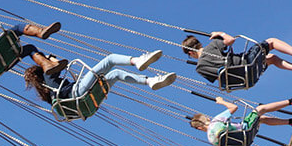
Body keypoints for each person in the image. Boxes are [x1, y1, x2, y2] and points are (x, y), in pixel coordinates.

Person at [24, 50, 177, 105]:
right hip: (77, 92)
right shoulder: (48, 73)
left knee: (115, 74)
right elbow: (61, 63)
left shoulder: (48, 90)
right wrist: (49, 58)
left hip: (80, 100)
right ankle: (137, 60)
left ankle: (150, 81)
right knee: (110, 60)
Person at [181, 31, 292, 82]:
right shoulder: (212, 46)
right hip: (246, 64)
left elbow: (220, 78)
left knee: (271, 58)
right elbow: (231, 40)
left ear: (190, 53)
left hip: (243, 78)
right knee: (271, 42)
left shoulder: (200, 68)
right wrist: (220, 33)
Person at [189, 94, 292, 146]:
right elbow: (234, 107)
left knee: (261, 119)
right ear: (207, 119)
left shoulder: (211, 140)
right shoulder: (216, 121)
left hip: (244, 140)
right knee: (260, 109)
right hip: (245, 129)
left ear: (199, 128)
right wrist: (221, 101)